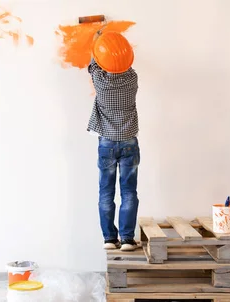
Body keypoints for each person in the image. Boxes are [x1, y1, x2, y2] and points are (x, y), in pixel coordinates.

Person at [87, 31, 139, 251]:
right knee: (129, 192)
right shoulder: (132, 78)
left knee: (105, 192)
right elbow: (124, 65)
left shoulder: (99, 80)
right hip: (129, 143)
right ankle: (127, 239)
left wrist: (98, 40)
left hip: (106, 143)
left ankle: (110, 239)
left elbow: (93, 65)